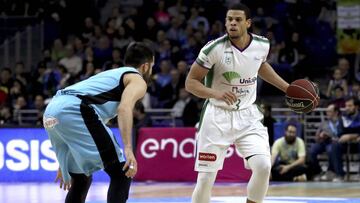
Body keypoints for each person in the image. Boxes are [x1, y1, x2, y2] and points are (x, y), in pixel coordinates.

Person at [185, 4, 290, 203]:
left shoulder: (262, 45)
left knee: (263, 166)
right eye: (229, 19)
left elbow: (260, 65)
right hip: (216, 116)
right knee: (206, 178)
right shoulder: (213, 48)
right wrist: (216, 93)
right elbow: (190, 83)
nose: (232, 23)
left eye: (238, 19)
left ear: (248, 23)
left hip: (248, 115)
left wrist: (287, 88)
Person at [43, 42, 154, 203]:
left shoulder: (110, 75)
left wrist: (64, 160)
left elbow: (90, 121)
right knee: (123, 172)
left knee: (81, 178)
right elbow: (124, 109)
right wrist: (128, 149)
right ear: (145, 66)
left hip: (51, 110)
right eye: (152, 67)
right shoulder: (137, 79)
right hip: (75, 109)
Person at [309, 103, 341, 181]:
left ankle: (331, 171)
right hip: (323, 142)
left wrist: (330, 136)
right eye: (327, 111)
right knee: (311, 150)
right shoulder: (324, 123)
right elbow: (316, 138)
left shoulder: (341, 123)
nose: (327, 113)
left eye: (329, 111)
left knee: (331, 150)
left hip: (334, 143)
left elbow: (341, 136)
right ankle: (318, 171)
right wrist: (320, 136)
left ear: (336, 112)